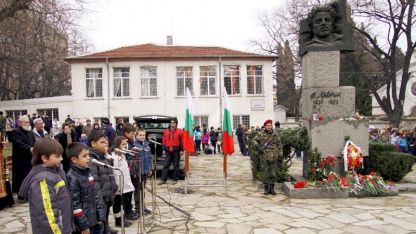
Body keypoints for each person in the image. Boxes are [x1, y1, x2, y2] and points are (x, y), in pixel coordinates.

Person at [18, 138, 74, 234]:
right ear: (44, 158)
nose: (61, 158)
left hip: (63, 226)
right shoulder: (43, 180)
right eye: (57, 156)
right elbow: (46, 213)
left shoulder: (56, 172)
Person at [66, 142, 106, 234]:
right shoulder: (72, 177)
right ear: (74, 159)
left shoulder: (88, 172)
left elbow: (96, 195)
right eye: (84, 156)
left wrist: (100, 216)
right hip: (84, 225)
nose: (88, 158)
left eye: (88, 155)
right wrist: (83, 226)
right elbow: (75, 204)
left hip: (95, 220)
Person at [88, 130, 118, 234]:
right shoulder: (92, 159)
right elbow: (95, 180)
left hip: (108, 194)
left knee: (105, 217)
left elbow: (110, 170)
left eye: (106, 142)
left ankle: (106, 228)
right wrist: (100, 196)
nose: (105, 144)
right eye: (102, 142)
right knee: (99, 223)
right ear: (93, 143)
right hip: (101, 197)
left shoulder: (103, 157)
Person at [251, 119, 283, 195]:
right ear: (265, 126)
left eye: (270, 125)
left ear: (272, 126)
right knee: (265, 173)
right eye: (267, 125)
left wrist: (280, 154)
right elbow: (253, 140)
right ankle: (266, 189)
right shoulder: (261, 134)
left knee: (273, 173)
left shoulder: (275, 134)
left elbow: (279, 145)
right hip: (264, 156)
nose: (269, 127)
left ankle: (272, 189)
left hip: (274, 156)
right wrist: (258, 146)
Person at [110, 136, 135, 227]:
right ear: (117, 145)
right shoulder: (114, 156)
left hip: (125, 182)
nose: (125, 146)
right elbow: (115, 171)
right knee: (117, 203)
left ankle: (123, 218)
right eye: (123, 144)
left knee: (124, 201)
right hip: (119, 183)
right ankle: (118, 220)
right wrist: (117, 185)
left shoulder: (122, 154)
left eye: (126, 144)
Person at [9, 115, 35, 193]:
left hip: (30, 157)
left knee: (30, 175)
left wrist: (34, 147)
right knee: (21, 176)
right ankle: (21, 193)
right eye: (26, 122)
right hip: (20, 158)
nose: (28, 124)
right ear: (20, 123)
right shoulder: (15, 132)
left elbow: (33, 142)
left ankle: (29, 192)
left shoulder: (30, 132)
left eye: (29, 122)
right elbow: (18, 143)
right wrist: (29, 148)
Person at [133, 129, 152, 215]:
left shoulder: (147, 145)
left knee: (142, 190)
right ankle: (138, 208)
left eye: (143, 135)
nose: (142, 137)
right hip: (138, 172)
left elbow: (149, 158)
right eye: (140, 135)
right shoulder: (134, 145)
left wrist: (150, 169)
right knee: (138, 190)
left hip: (145, 170)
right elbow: (133, 159)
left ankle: (143, 206)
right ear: (136, 136)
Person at [159, 118, 183, 185]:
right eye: (171, 122)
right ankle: (163, 179)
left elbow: (182, 141)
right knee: (166, 165)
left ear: (176, 123)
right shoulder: (166, 131)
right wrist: (163, 149)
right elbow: (163, 141)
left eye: (173, 122)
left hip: (176, 151)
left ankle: (175, 179)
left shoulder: (180, 131)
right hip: (168, 151)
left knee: (176, 166)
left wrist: (181, 149)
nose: (172, 123)